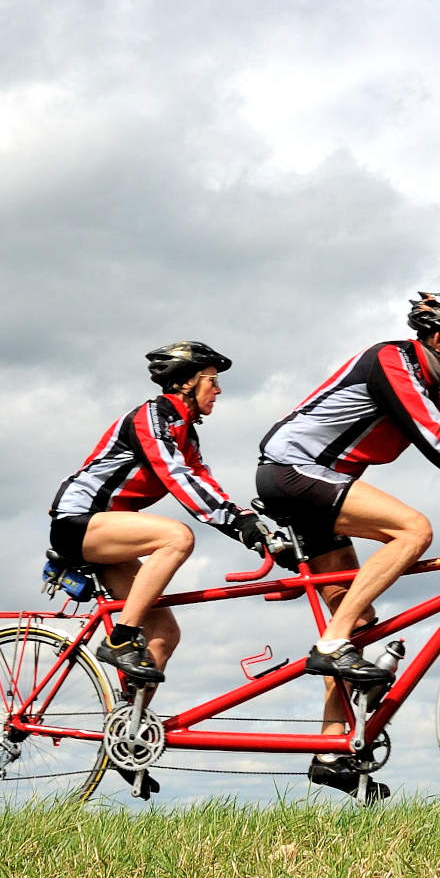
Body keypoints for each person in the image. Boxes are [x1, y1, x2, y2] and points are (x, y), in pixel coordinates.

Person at [256, 291, 440, 798]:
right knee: (413, 530)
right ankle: (330, 645)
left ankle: (331, 753)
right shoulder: (391, 362)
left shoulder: (432, 391)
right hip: (291, 473)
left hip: (317, 487)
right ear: (438, 337)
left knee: (359, 628)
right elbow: (436, 440)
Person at [49, 341, 272, 797]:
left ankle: (125, 738)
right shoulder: (150, 417)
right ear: (186, 382)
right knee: (176, 536)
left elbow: (204, 479)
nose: (219, 390)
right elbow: (176, 476)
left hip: (113, 533)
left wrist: (253, 528)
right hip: (79, 523)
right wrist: (235, 524)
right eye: (212, 380)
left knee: (164, 636)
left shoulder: (187, 431)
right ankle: (118, 639)